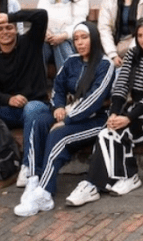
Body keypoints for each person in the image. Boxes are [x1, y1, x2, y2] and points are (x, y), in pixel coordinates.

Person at [65, 18, 143, 206]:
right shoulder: (133, 54)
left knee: (117, 134)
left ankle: (100, 182)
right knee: (104, 133)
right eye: (139, 35)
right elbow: (121, 86)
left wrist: (127, 119)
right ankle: (107, 180)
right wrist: (115, 113)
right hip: (132, 109)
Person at [13, 22, 111, 216]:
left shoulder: (104, 64)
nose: (80, 43)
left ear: (94, 38)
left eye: (85, 38)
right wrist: (58, 107)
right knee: (38, 120)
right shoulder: (71, 61)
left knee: (60, 136)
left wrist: (67, 119)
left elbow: (94, 99)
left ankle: (45, 193)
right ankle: (33, 179)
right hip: (68, 112)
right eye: (76, 39)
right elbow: (58, 87)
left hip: (96, 120)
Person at [0, 8, 51, 188]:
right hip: (9, 111)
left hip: (36, 107)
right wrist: (7, 99)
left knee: (32, 108)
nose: (5, 32)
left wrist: (10, 16)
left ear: (16, 29)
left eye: (8, 27)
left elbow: (41, 15)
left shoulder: (30, 42)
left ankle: (27, 166)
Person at [37, 0, 89, 71]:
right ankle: (38, 85)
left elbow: (79, 23)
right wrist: (46, 33)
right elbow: (39, 21)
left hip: (69, 41)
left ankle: (69, 81)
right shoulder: (44, 0)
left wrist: (62, 36)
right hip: (48, 40)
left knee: (61, 44)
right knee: (39, 45)